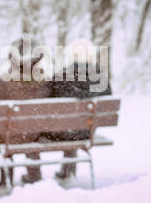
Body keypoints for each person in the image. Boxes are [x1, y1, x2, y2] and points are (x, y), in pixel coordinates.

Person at [0, 35, 51, 189]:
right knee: (22, 133)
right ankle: (34, 176)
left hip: (8, 136)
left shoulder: (7, 81)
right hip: (32, 135)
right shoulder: (45, 81)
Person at [47, 38, 112, 179]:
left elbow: (50, 100)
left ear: (71, 57)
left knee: (68, 124)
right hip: (87, 131)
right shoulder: (100, 77)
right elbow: (107, 99)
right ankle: (68, 171)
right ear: (91, 56)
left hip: (62, 132)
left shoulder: (61, 76)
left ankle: (67, 170)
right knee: (75, 124)